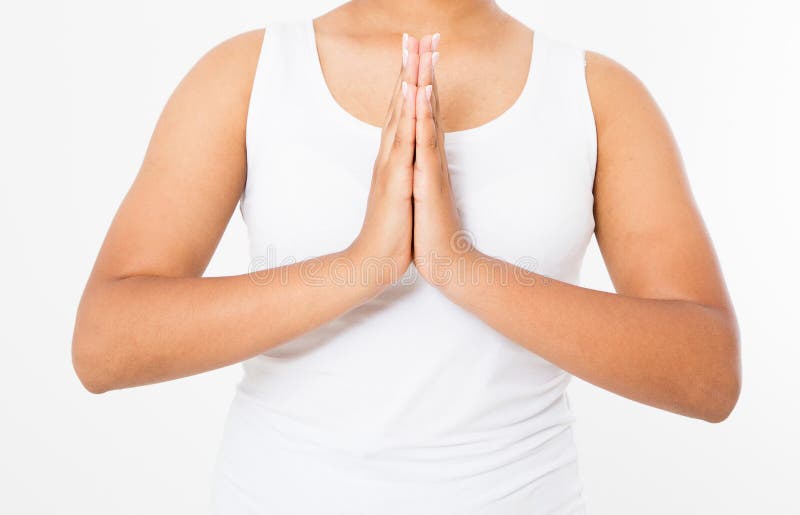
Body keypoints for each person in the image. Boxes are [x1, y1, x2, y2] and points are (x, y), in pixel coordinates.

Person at [71, 0, 741, 513]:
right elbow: (104, 344)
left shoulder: (597, 94)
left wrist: (459, 266)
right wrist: (363, 264)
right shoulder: (249, 74)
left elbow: (708, 374)